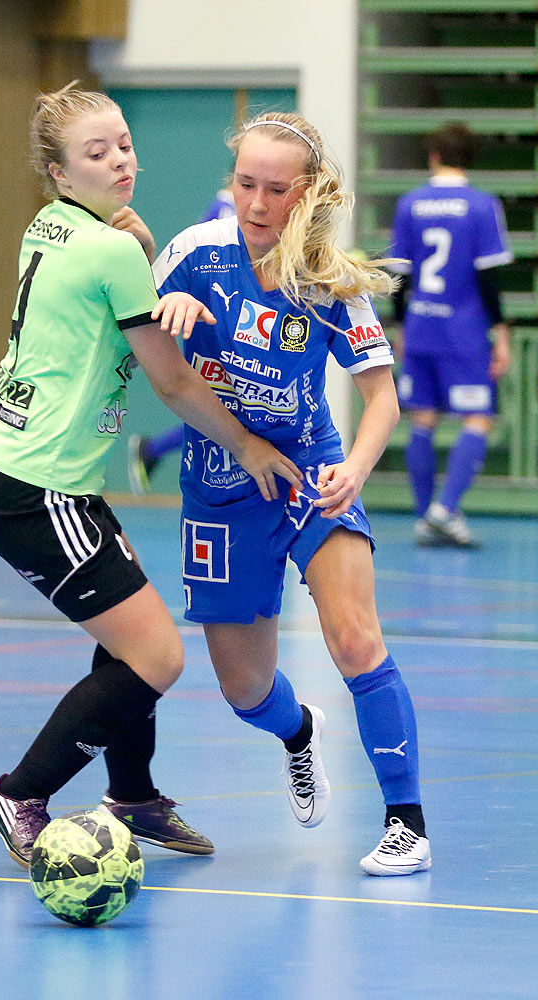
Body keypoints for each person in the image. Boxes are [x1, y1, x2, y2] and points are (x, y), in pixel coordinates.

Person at [0, 84, 302, 867]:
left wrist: (141, 254)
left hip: (15, 471)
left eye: (122, 143)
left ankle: (135, 796)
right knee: (158, 656)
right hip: (34, 489)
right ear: (58, 171)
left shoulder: (52, 226)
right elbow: (175, 383)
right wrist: (250, 446)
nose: (120, 160)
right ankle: (20, 793)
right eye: (96, 152)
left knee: (131, 629)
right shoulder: (114, 250)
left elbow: (102, 302)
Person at [152, 111, 432, 875]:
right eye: (245, 183)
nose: (255, 203)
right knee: (245, 691)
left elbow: (383, 399)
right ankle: (297, 732)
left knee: (355, 638)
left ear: (306, 192)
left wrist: (357, 469)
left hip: (311, 473)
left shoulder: (328, 281)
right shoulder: (194, 255)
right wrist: (162, 318)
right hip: (219, 490)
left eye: (275, 189)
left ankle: (407, 822)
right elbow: (139, 341)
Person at [389, 122, 513, 548]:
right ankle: (445, 509)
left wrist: (401, 326)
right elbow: (489, 276)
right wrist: (501, 333)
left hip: (422, 325)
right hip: (464, 330)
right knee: (478, 417)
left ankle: (426, 517)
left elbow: (400, 277)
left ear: (434, 157)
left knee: (422, 418)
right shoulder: (482, 206)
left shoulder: (409, 204)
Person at [124, 187, 236, 494]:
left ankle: (152, 450)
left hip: (228, 322)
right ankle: (152, 450)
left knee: (223, 413)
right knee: (217, 412)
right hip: (215, 324)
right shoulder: (225, 209)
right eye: (248, 181)